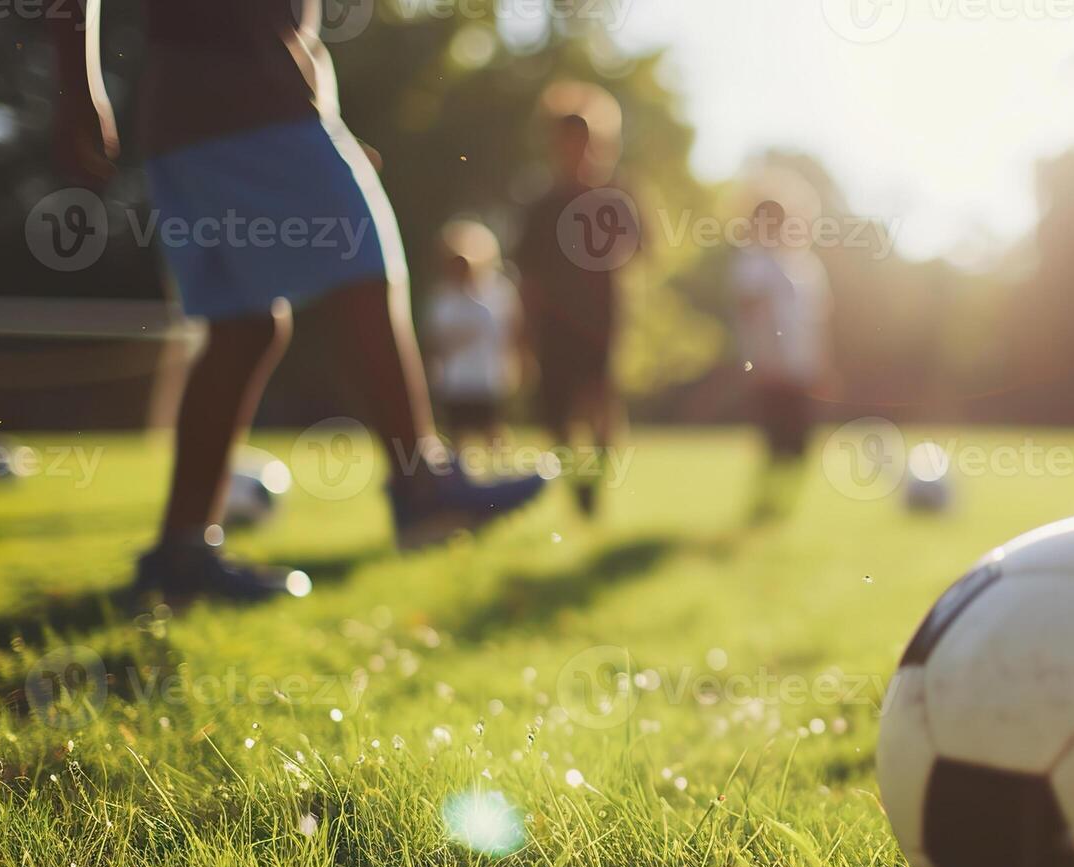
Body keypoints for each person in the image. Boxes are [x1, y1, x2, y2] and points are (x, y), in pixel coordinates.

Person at [50, 0, 546, 603]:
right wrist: (78, 84)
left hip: (184, 118)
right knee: (364, 271)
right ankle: (422, 486)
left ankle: (181, 553)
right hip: (254, 102)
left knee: (242, 328)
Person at [514, 112, 640, 519]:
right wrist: (523, 331)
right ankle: (577, 487)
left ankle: (597, 482)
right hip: (553, 323)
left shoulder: (612, 196)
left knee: (598, 404)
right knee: (557, 413)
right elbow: (527, 275)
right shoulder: (540, 205)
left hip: (600, 321)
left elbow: (639, 249)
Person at [729, 200, 832, 521]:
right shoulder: (752, 263)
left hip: (800, 369)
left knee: (800, 444)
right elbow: (747, 310)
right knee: (774, 442)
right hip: (769, 370)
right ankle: (764, 505)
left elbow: (817, 320)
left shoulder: (805, 265)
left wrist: (821, 364)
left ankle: (780, 507)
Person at [425, 220, 520, 450]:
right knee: (457, 434)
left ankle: (502, 474)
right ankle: (460, 476)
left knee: (491, 429)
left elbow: (508, 334)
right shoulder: (442, 300)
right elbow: (434, 338)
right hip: (455, 381)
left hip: (485, 380)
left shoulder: (493, 297)